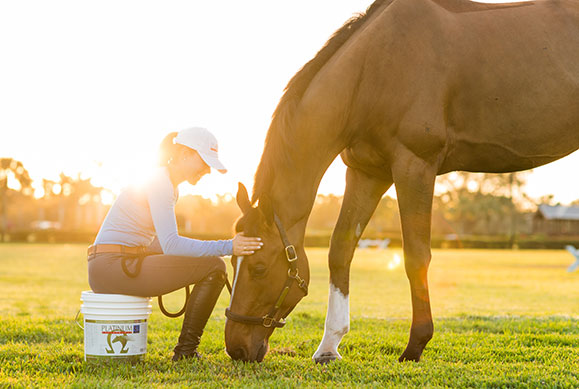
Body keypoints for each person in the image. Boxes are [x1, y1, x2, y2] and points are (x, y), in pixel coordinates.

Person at [87, 127, 263, 361]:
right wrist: (228, 246)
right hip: (112, 267)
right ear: (184, 155)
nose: (207, 171)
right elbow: (170, 244)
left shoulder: (168, 184)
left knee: (210, 264)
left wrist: (191, 259)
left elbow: (159, 243)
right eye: (204, 162)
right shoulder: (160, 182)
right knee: (215, 267)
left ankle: (186, 351)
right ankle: (186, 352)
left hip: (113, 265)